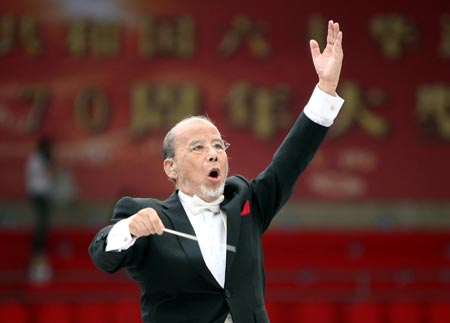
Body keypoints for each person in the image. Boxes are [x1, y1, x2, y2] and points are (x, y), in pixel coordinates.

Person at [89, 20, 344, 323]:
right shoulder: (146, 216)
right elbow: (103, 257)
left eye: (218, 146)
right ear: (170, 167)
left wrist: (325, 90)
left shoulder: (245, 201)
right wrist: (128, 230)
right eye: (197, 148)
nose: (213, 153)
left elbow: (291, 159)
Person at [26, 136, 55, 283]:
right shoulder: (36, 159)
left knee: (43, 227)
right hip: (38, 195)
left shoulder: (41, 159)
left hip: (43, 195)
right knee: (40, 227)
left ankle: (40, 256)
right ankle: (37, 257)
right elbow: (41, 175)